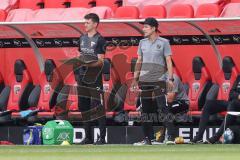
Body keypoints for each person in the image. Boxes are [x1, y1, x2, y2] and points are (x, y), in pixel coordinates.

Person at [132, 17, 174, 145]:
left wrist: (170, 79)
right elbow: (139, 61)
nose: (143, 29)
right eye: (143, 26)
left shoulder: (164, 42)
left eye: (146, 27)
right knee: (145, 110)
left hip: (159, 79)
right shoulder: (142, 43)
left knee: (162, 108)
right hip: (144, 80)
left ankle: (170, 137)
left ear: (154, 28)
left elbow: (168, 61)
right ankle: (148, 139)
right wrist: (135, 79)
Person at [76, 13, 106, 145]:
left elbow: (101, 61)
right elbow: (79, 54)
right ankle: (87, 137)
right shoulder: (82, 38)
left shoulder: (100, 39)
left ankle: (102, 138)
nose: (85, 25)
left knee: (97, 107)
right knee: (84, 107)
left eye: (87, 22)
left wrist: (87, 64)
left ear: (95, 24)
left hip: (94, 78)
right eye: (85, 22)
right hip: (82, 78)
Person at [191, 75, 240, 144]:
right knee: (209, 105)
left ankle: (215, 137)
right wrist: (238, 96)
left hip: (235, 105)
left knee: (233, 104)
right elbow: (231, 93)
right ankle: (199, 137)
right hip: (233, 102)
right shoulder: (239, 77)